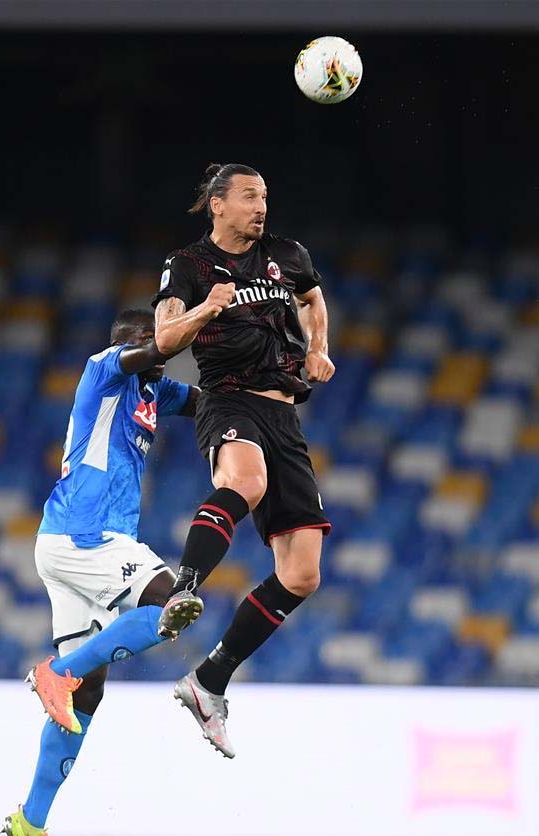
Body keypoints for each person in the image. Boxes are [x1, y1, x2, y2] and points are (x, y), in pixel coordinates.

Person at [3, 309, 200, 836]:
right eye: (146, 340)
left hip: (72, 544)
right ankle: (54, 672)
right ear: (130, 343)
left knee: (88, 694)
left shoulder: (153, 391)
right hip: (86, 533)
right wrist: (202, 312)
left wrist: (270, 391)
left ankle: (29, 822)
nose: (152, 350)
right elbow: (153, 351)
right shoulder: (104, 368)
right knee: (171, 600)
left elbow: (207, 400)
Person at [152, 163, 336, 758]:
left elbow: (313, 298)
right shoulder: (189, 265)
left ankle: (208, 681)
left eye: (266, 196)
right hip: (227, 397)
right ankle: (184, 585)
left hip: (284, 415)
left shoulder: (287, 254)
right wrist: (206, 308)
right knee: (244, 481)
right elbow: (162, 338)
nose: (261, 206)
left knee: (303, 572)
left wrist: (318, 348)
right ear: (218, 204)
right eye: (250, 197)